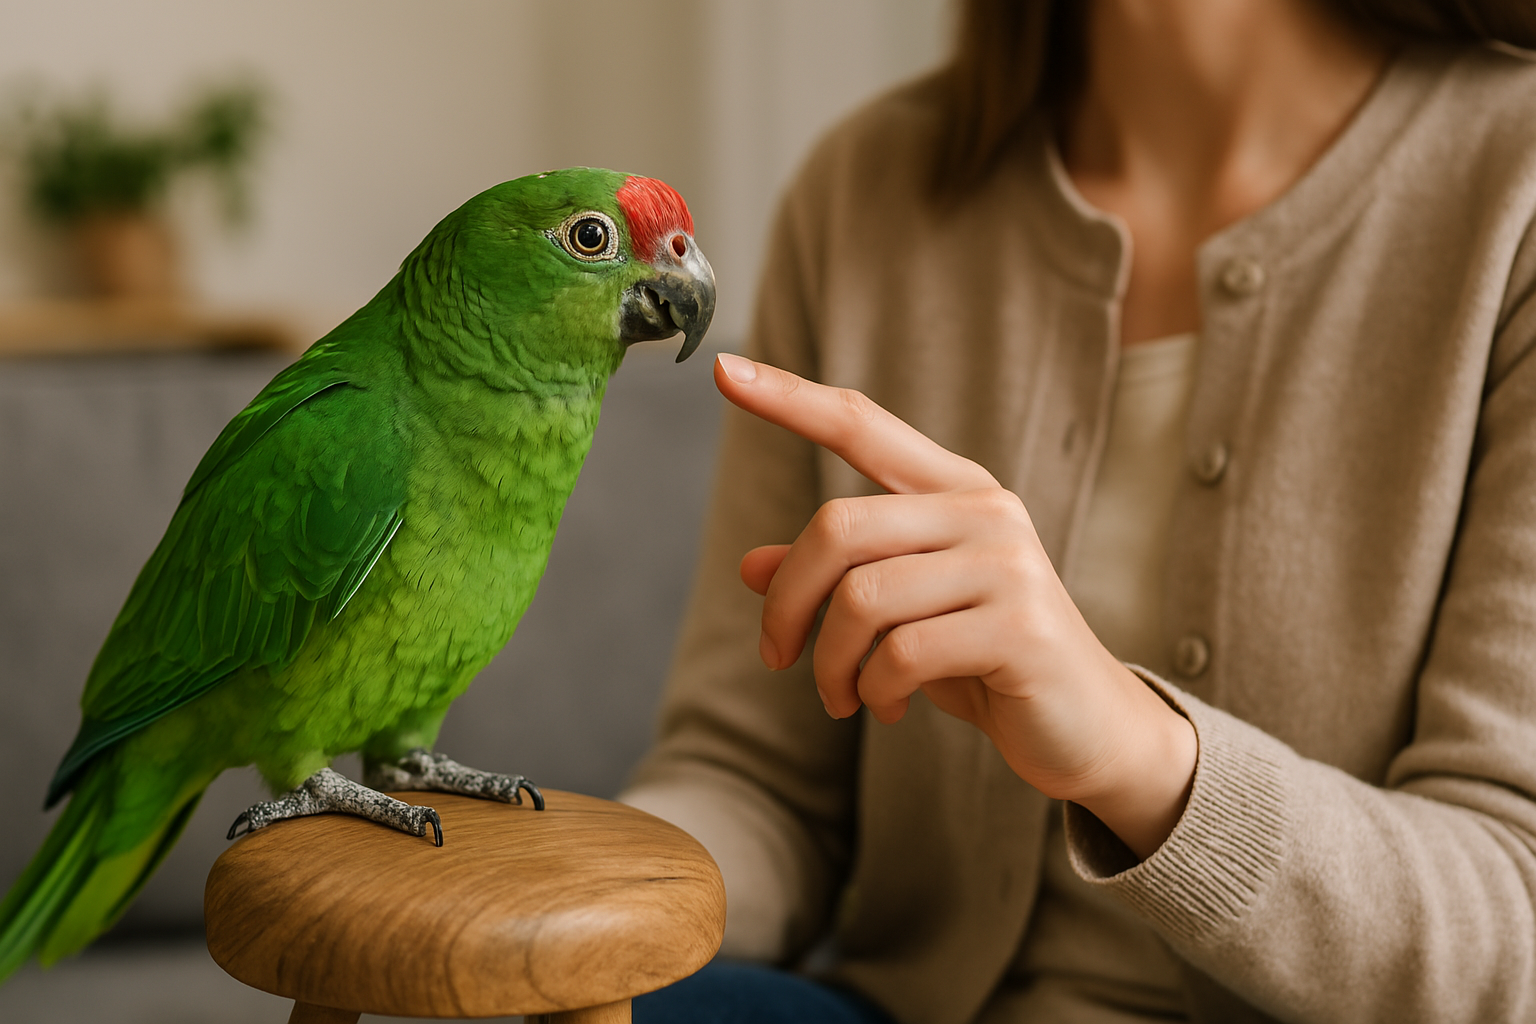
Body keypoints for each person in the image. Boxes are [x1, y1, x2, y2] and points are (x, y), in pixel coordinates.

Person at [625, 1, 1536, 1021]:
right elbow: (759, 783)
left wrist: (1133, 749)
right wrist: (554, 892)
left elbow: (1517, 923)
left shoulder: (1516, 189)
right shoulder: (863, 188)